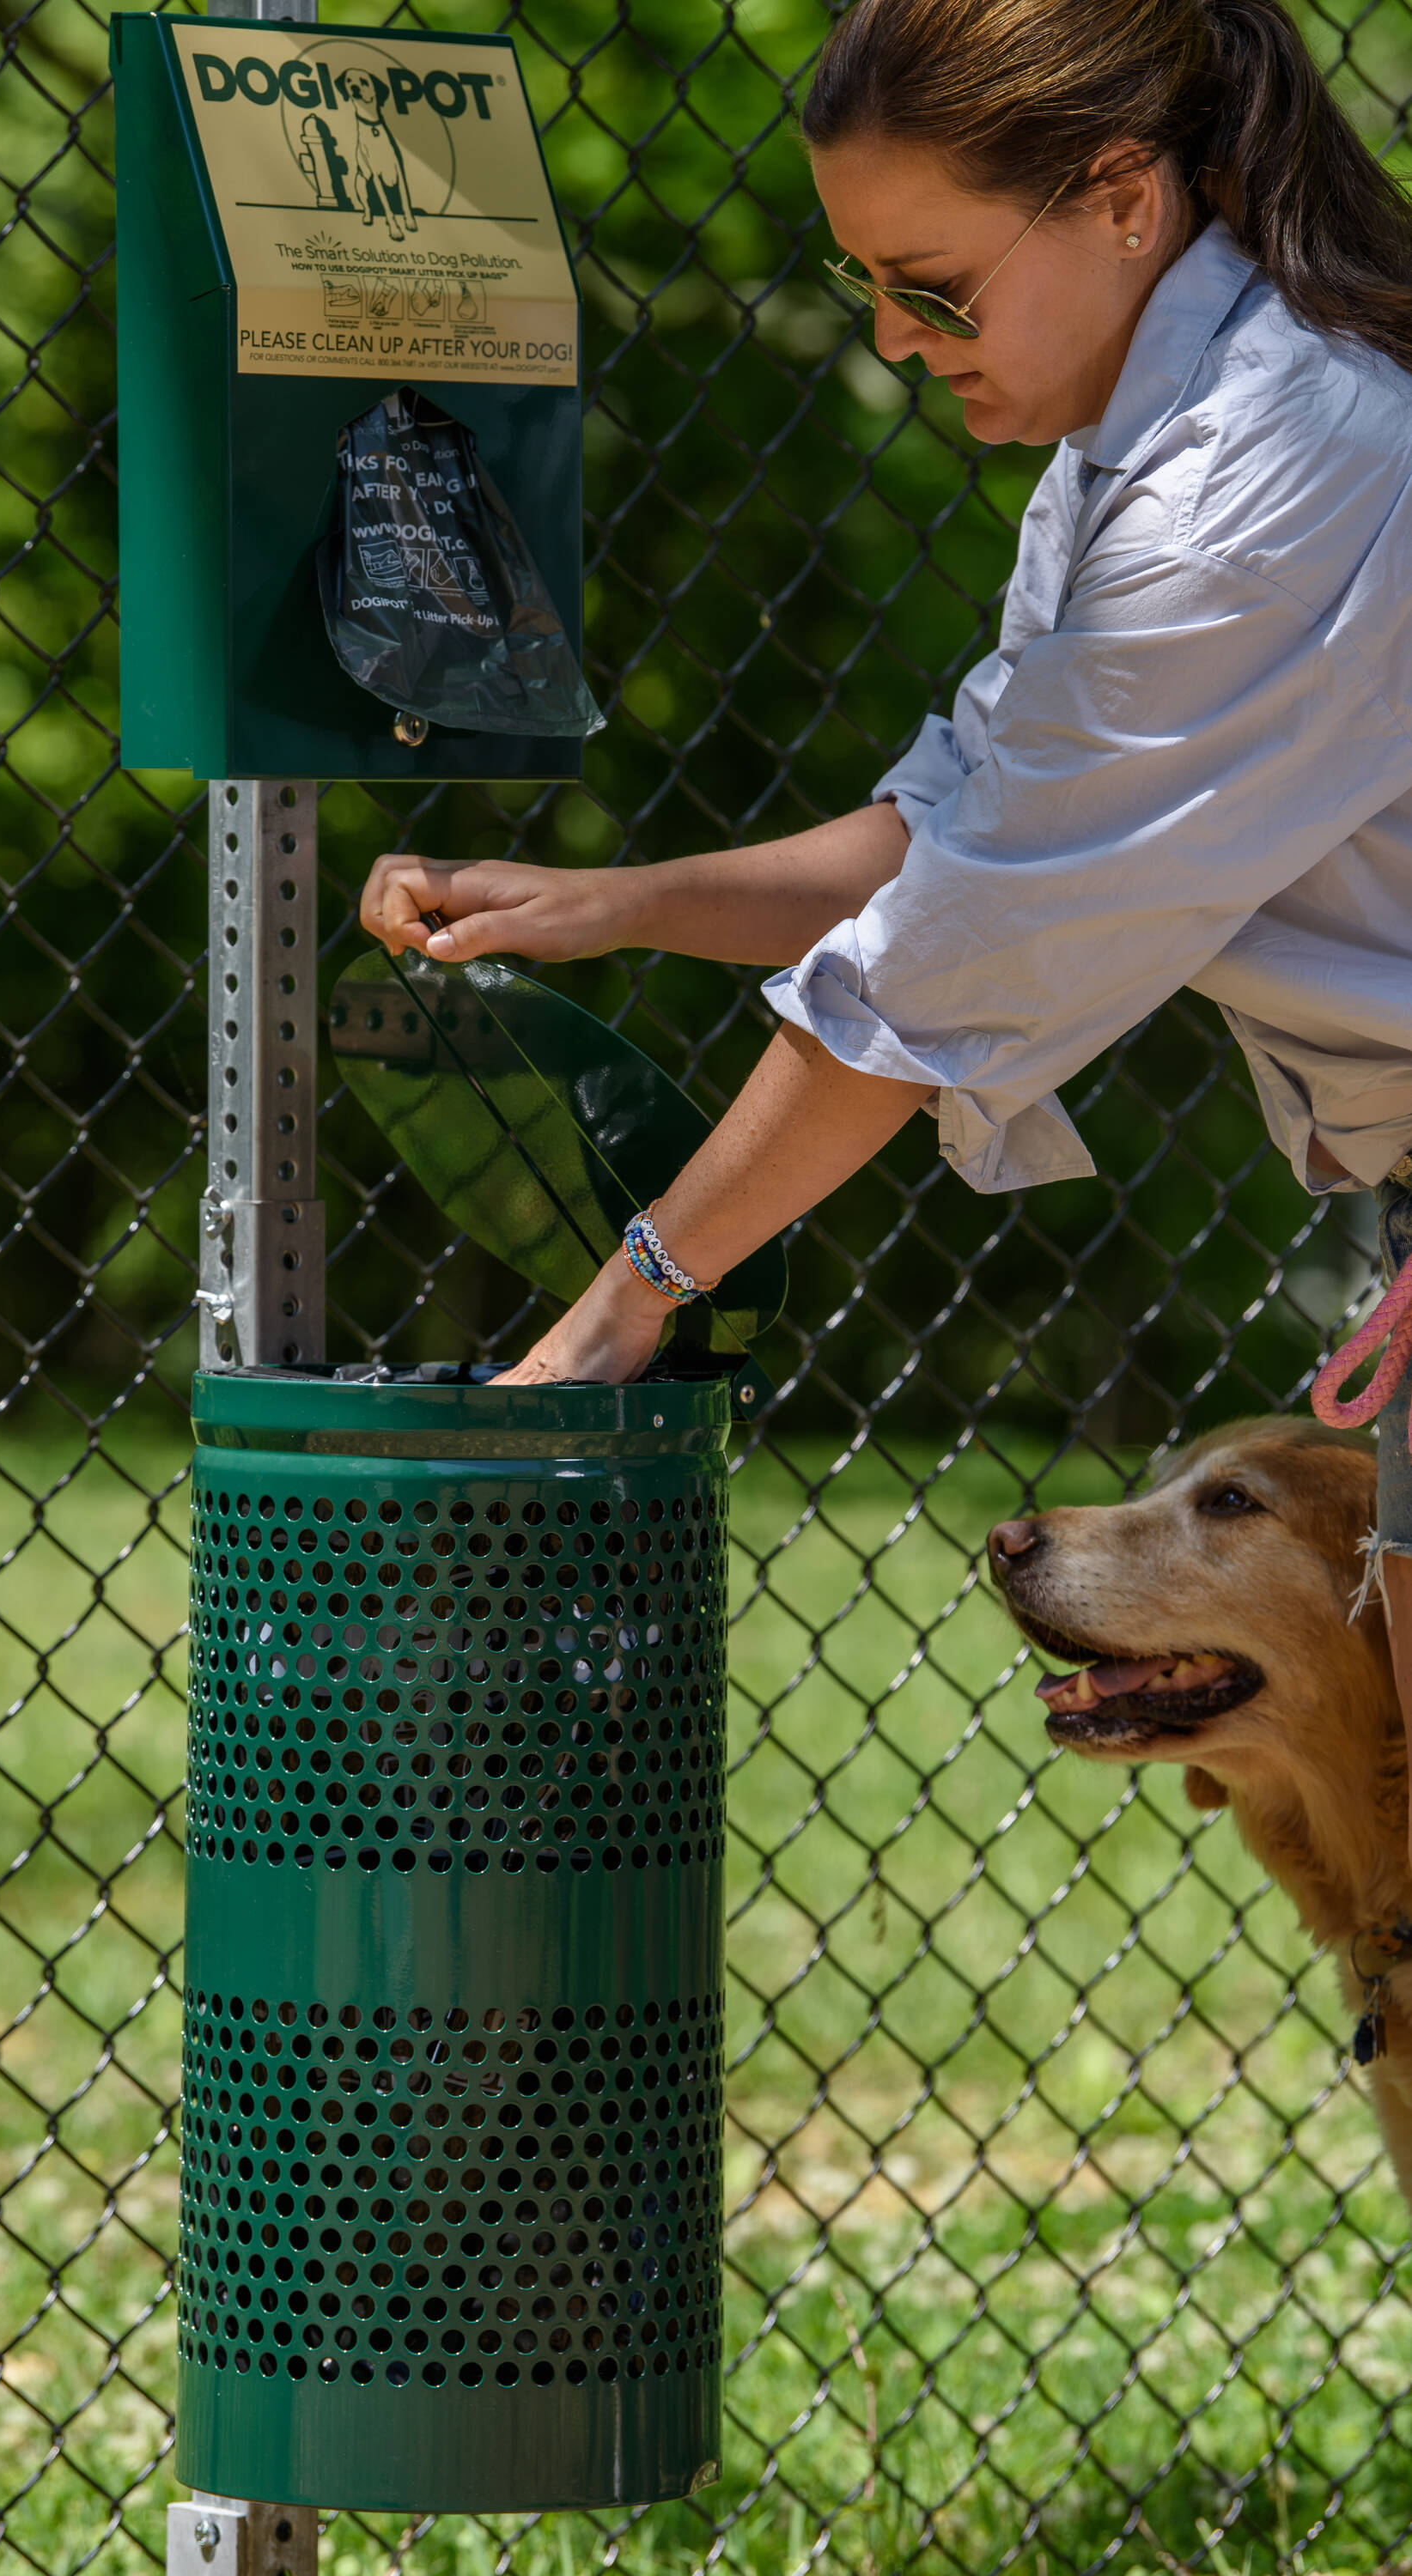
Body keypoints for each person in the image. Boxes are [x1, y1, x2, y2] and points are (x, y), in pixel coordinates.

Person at [359, 0, 1412, 1821]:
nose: (887, 339)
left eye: (927, 286)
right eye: (861, 283)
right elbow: (960, 826)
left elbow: (964, 943)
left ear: (1115, 198)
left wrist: (621, 1311)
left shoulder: (1267, 470)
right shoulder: (1138, 445)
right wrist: (611, 904)